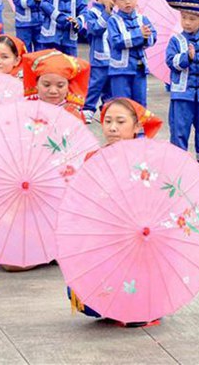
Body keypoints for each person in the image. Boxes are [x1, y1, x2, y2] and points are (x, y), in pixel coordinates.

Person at [68, 97, 162, 322]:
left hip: (140, 235)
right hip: (105, 234)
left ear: (137, 126)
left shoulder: (149, 158)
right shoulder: (93, 157)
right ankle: (119, 303)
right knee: (83, 300)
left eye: (120, 122)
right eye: (107, 121)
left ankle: (145, 302)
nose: (112, 127)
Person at [165, 0, 199, 170]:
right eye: (184, 18)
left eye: (192, 19)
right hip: (182, 94)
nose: (186, 22)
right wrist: (187, 57)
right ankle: (178, 160)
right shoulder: (176, 40)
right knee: (179, 128)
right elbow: (171, 62)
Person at [105, 0, 156, 107]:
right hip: (120, 70)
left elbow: (153, 37)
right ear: (114, 1)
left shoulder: (142, 18)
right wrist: (139, 35)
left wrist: (146, 37)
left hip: (139, 68)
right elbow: (116, 41)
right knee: (123, 104)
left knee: (140, 103)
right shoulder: (113, 20)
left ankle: (139, 128)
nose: (127, 2)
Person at [22, 48, 91, 121]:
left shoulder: (72, 114)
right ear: (36, 85)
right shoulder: (26, 109)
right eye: (46, 85)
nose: (53, 91)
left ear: (68, 86)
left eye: (60, 86)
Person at [81, 0, 114, 123]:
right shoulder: (92, 12)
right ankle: (88, 109)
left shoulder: (116, 13)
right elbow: (94, 29)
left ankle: (107, 110)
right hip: (99, 58)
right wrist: (106, 14)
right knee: (95, 85)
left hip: (114, 59)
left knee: (110, 88)